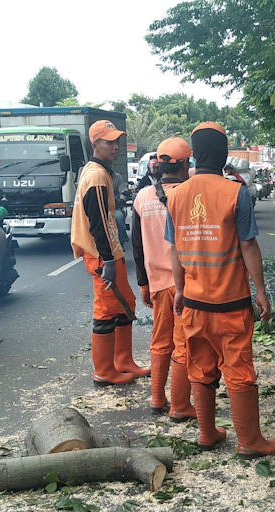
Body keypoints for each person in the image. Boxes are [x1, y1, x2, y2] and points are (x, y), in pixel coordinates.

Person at [165, 122, 275, 458]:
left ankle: (207, 432)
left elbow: (174, 249)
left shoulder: (178, 196)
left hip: (194, 304)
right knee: (238, 368)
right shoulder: (235, 193)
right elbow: (248, 247)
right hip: (229, 305)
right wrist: (260, 291)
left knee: (200, 367)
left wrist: (178, 290)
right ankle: (249, 441)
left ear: (196, 154)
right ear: (223, 153)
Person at [70, 120, 151, 386]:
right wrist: (107, 259)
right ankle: (104, 370)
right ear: (95, 144)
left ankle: (123, 362)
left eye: (117, 141)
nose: (116, 146)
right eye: (109, 142)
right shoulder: (95, 176)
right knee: (106, 310)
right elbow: (98, 222)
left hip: (109, 252)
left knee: (124, 304)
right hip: (100, 253)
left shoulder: (100, 172)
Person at [132, 137, 197, 422]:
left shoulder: (142, 196)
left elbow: (136, 244)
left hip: (157, 283)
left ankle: (157, 397)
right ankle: (181, 406)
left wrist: (143, 284)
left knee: (160, 341)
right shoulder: (191, 194)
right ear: (185, 163)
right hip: (188, 283)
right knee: (183, 345)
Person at [112, 171, 130, 247]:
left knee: (118, 217)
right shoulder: (95, 178)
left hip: (115, 207)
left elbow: (123, 190)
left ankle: (120, 242)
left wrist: (121, 200)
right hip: (99, 208)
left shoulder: (117, 177)